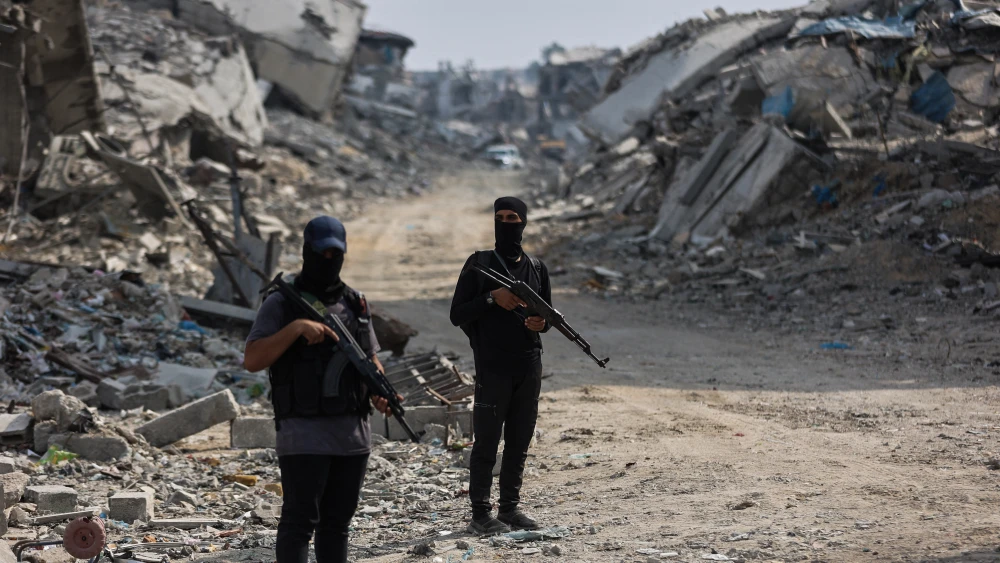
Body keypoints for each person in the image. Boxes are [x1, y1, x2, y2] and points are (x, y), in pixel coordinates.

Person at [243, 215, 394, 563]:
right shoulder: (281, 302)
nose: (329, 261)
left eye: (335, 255)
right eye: (321, 253)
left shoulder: (356, 303)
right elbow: (252, 359)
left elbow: (370, 358)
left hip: (352, 437)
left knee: (337, 525)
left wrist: (380, 389)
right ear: (306, 252)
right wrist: (295, 328)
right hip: (302, 433)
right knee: (298, 523)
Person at [449, 196, 552, 535]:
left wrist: (541, 324)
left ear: (523, 222)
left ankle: (509, 508)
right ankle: (481, 512)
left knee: (519, 441)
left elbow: (546, 315)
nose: (507, 223)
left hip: (528, 365)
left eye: (513, 218)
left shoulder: (536, 268)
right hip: (493, 367)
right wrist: (493, 298)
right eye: (501, 217)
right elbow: (457, 314)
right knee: (487, 442)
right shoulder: (478, 264)